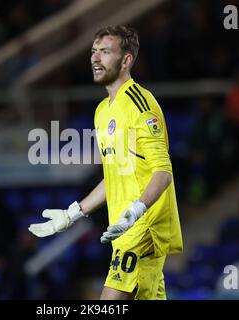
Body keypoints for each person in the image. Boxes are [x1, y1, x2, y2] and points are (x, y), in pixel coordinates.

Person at [28, 25, 183, 300]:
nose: (95, 58)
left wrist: (135, 211)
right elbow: (115, 176)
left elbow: (163, 172)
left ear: (126, 60)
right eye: (93, 52)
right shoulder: (102, 112)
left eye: (105, 52)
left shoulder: (141, 104)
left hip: (144, 227)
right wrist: (73, 213)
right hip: (124, 230)